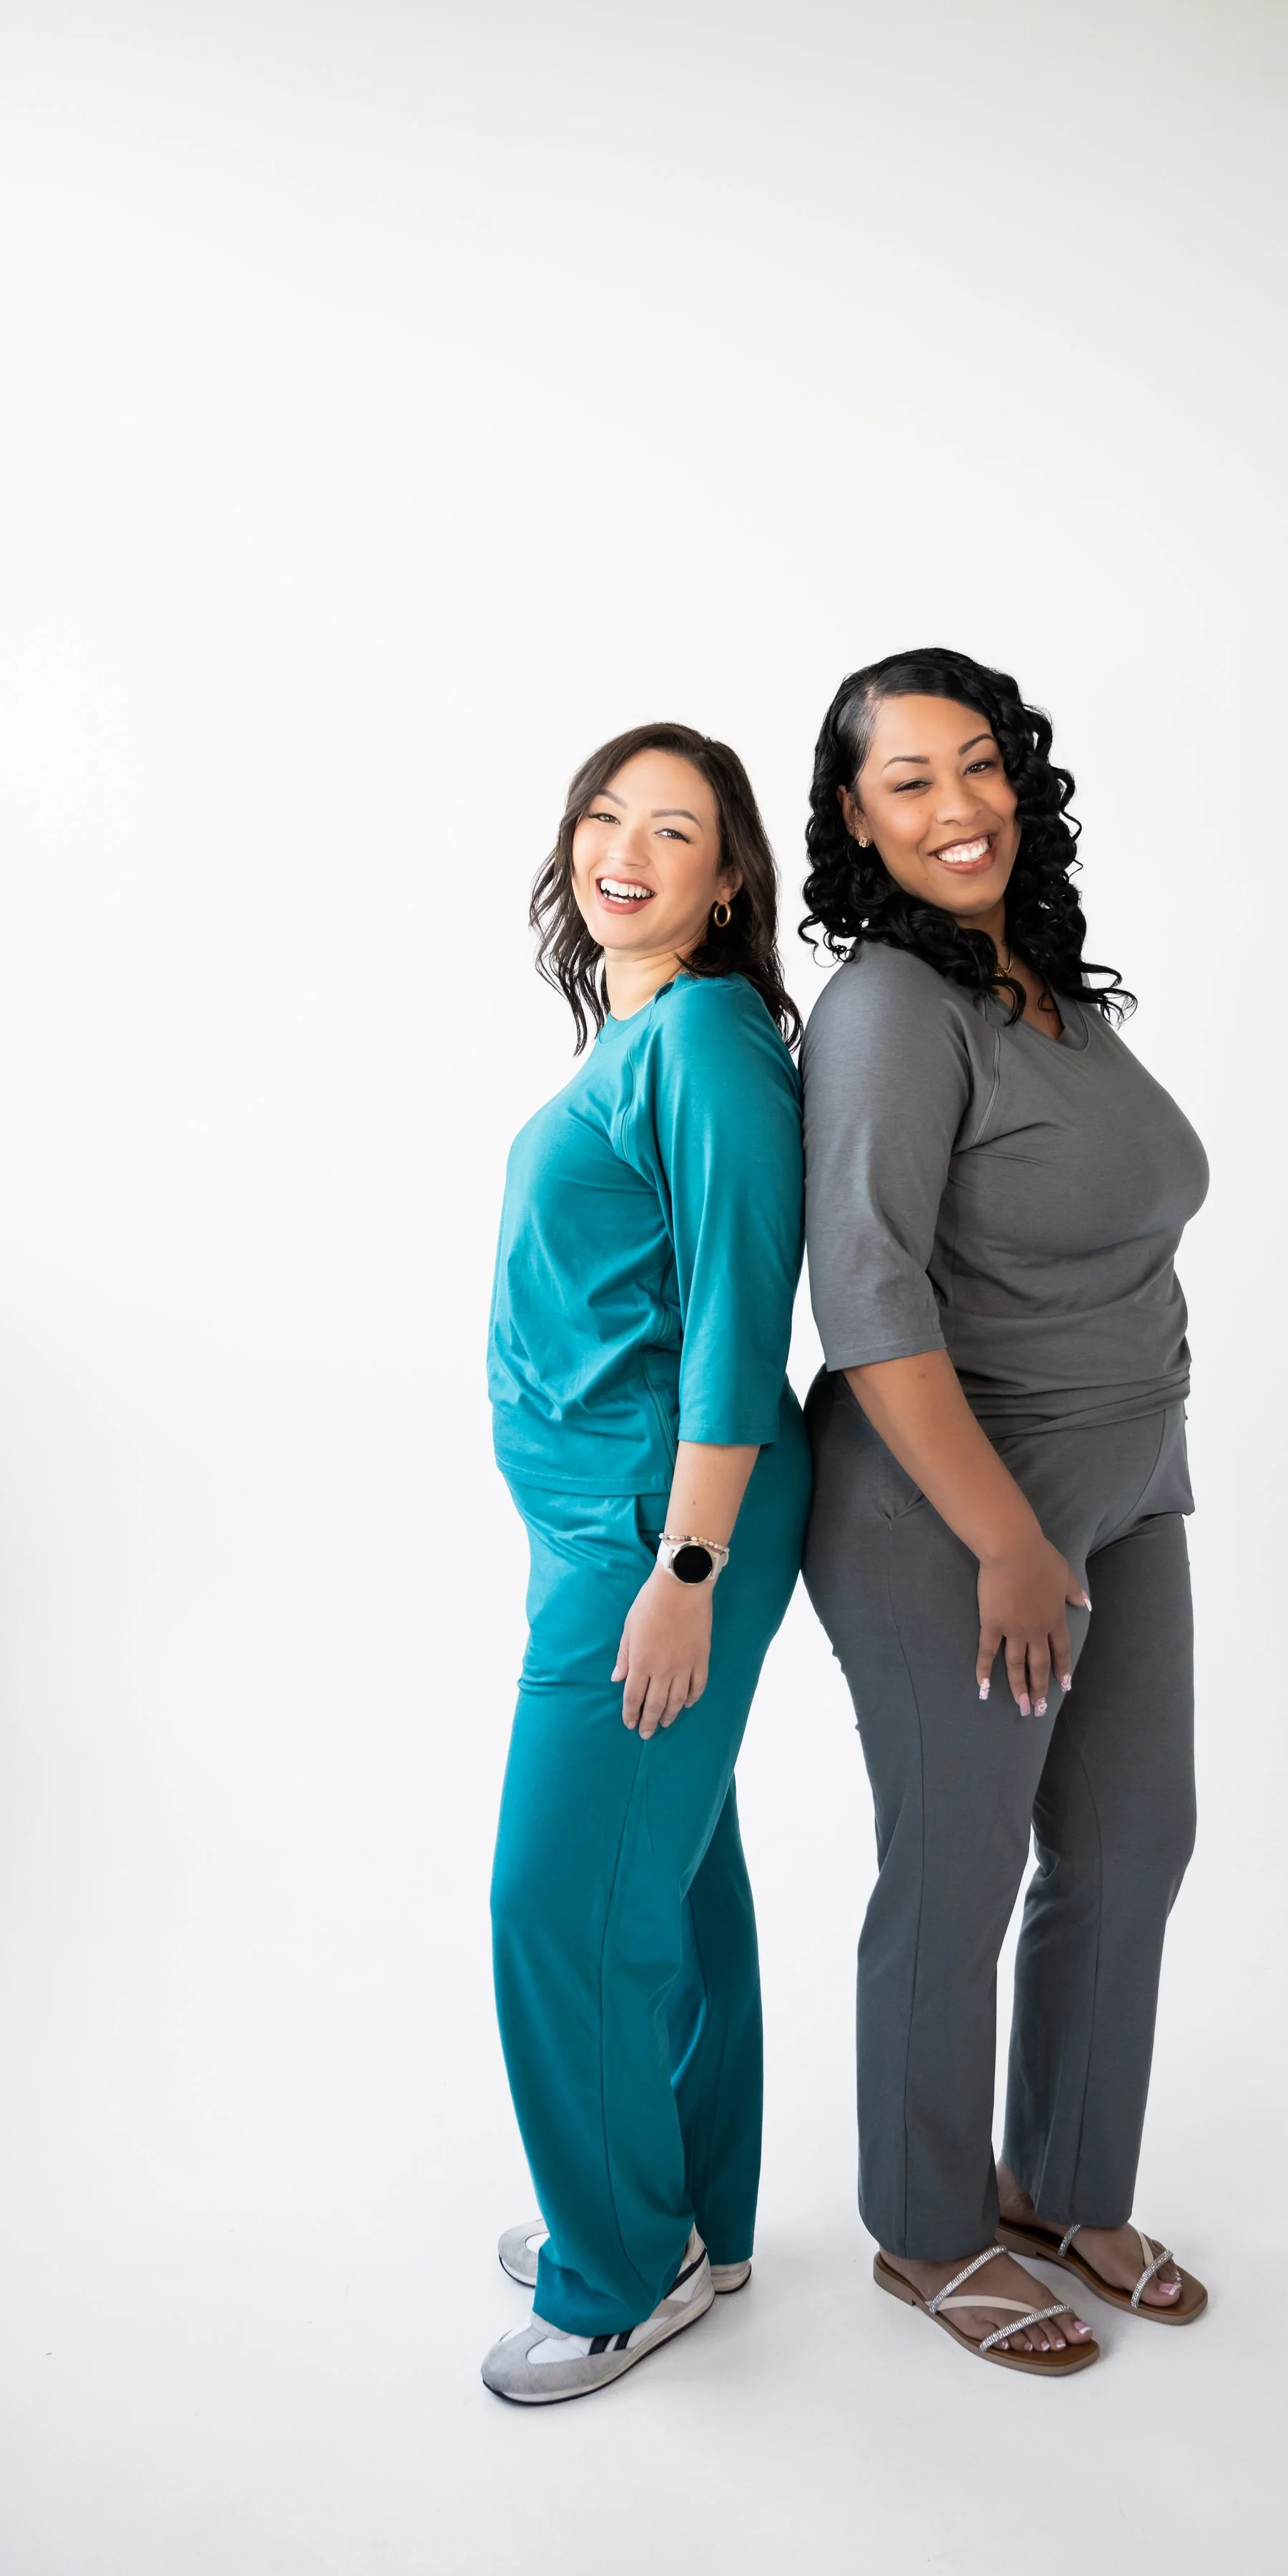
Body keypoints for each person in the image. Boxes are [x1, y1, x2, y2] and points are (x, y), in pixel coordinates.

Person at [798, 647, 1211, 2377]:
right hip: (951, 1511)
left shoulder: (1041, 982)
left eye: (979, 766)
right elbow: (870, 1299)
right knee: (954, 1871)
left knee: (1130, 1843)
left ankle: (1060, 2180)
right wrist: (1007, 1538)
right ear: (850, 816)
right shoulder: (890, 1009)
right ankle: (925, 2225)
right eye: (910, 780)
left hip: (1126, 1477)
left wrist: (1103, 1489)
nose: (959, 806)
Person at [480, 723, 808, 2407]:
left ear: (726, 874)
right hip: (605, 1527)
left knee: (552, 1900)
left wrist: (681, 1563)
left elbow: (743, 1326)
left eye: (671, 828)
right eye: (604, 814)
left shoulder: (706, 1037)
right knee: (669, 1873)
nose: (624, 848)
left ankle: (618, 2269)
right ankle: (698, 2215)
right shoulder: (637, 1031)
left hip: (660, 1535)